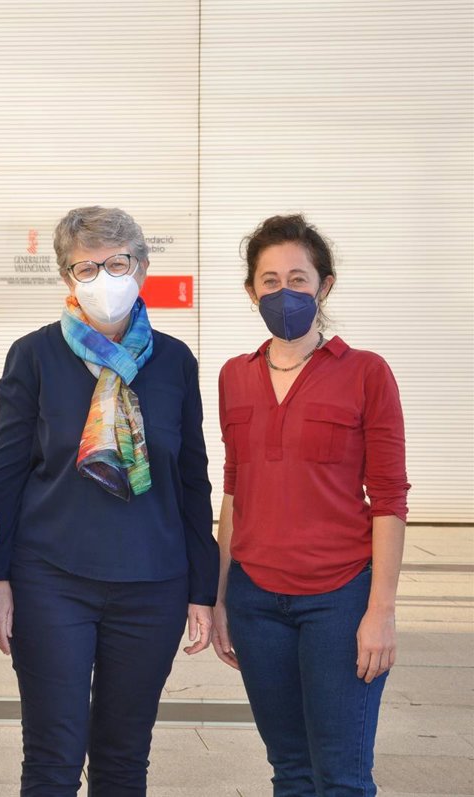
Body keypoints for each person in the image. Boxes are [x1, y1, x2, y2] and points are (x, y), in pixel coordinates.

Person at [0, 206, 218, 795]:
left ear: (142, 267)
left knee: (123, 759)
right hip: (51, 582)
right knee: (53, 757)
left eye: (116, 263)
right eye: (86, 268)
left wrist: (203, 588)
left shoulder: (174, 361)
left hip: (153, 586)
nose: (103, 279)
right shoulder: (34, 356)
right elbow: (6, 478)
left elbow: (192, 479)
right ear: (67, 277)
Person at [212, 214, 409, 796]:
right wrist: (220, 597)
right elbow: (233, 489)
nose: (284, 292)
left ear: (325, 286)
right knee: (290, 771)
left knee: (342, 776)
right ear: (252, 292)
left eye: (298, 279)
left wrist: (381, 610)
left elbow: (389, 498)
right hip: (255, 602)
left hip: (339, 600)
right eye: (270, 281)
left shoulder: (366, 373)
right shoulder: (234, 376)